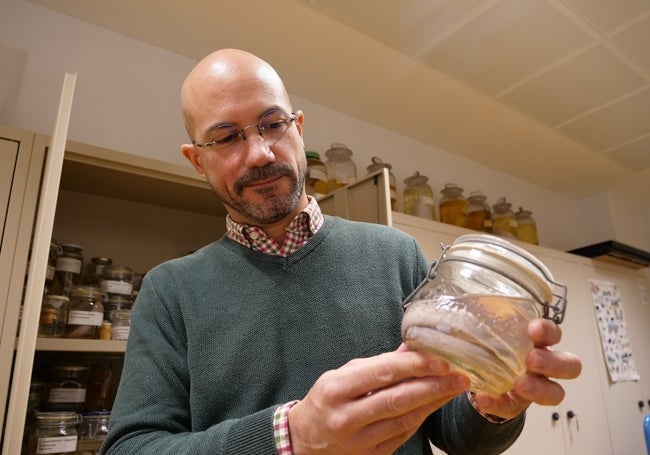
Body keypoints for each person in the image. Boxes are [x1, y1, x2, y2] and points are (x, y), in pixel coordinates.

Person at [100, 49, 581, 455]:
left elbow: (448, 426)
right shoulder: (169, 291)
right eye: (227, 137)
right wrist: (290, 438)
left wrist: (490, 405)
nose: (261, 153)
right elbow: (131, 448)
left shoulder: (395, 255)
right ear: (196, 160)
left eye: (272, 124)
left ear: (299, 129)